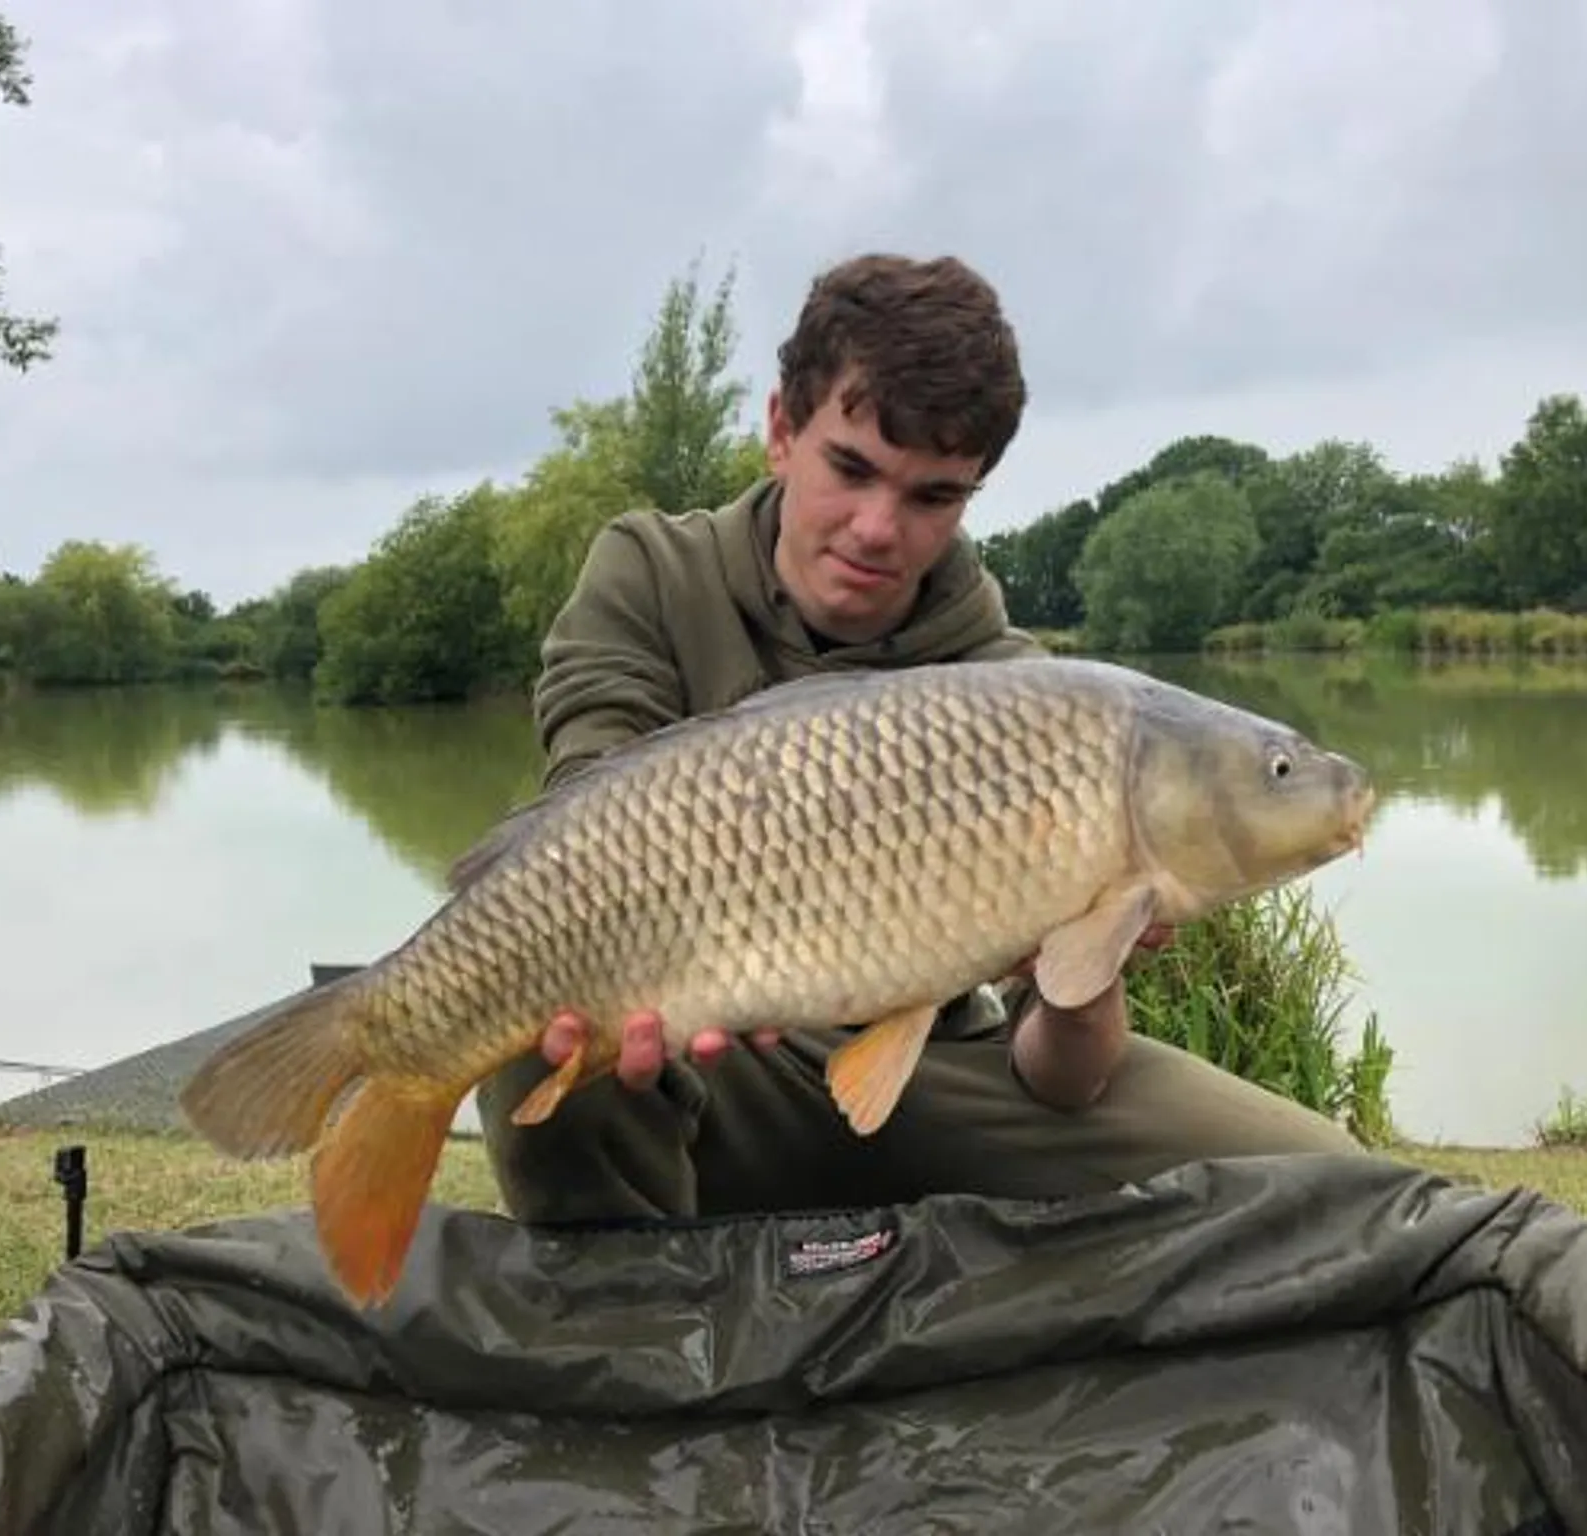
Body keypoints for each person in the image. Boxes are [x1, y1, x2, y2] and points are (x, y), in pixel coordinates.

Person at [475, 252, 1362, 1224]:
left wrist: (1083, 963)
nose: (874, 528)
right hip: (709, 1069)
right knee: (534, 1029)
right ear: (780, 430)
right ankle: (637, 1330)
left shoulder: (1029, 697)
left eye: (929, 496)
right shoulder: (648, 572)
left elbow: (1060, 1079)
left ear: (969, 494)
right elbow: (580, 830)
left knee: (1333, 1185)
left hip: (936, 1070)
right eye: (849, 469)